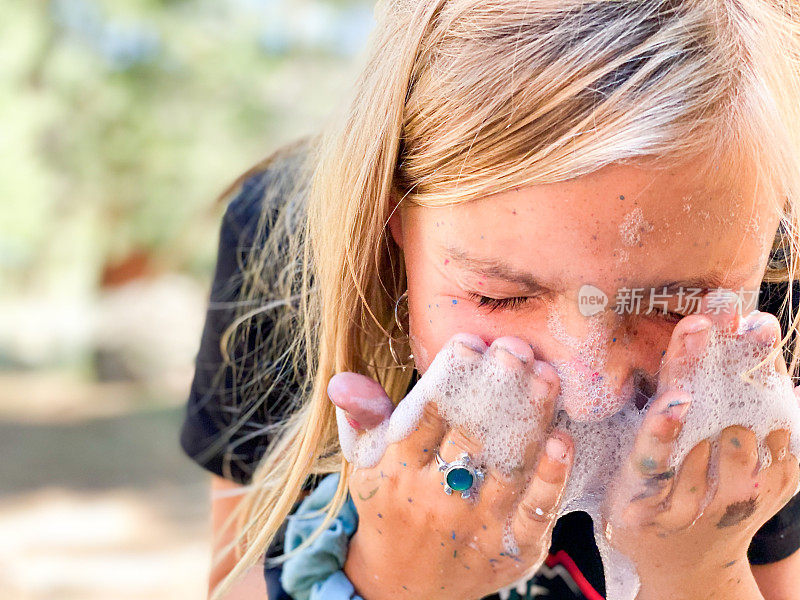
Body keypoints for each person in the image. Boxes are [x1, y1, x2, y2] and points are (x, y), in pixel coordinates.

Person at [179, 1, 800, 599]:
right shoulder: (292, 257)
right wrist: (393, 581)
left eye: (670, 307)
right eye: (500, 296)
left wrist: (698, 572)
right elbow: (232, 578)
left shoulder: (766, 327)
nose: (591, 393)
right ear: (388, 220)